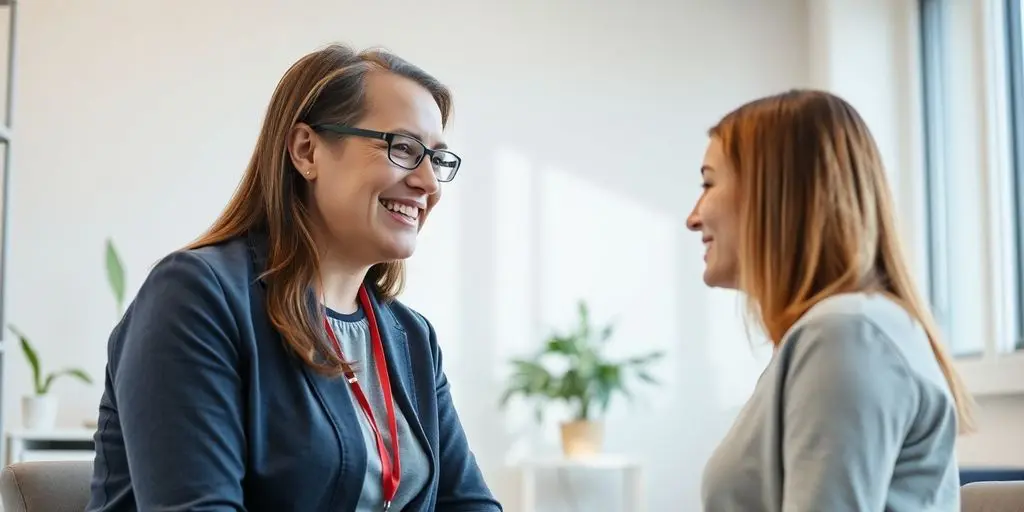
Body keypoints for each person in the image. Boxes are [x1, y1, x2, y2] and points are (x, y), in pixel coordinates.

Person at [86, 44, 502, 512]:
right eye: (403, 149)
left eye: (437, 160)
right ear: (307, 150)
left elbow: (469, 503)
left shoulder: (411, 337)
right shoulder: (197, 296)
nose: (429, 184)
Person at [688, 89, 974, 511]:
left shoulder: (845, 332)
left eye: (709, 183)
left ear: (774, 192)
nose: (693, 217)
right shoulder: (844, 329)